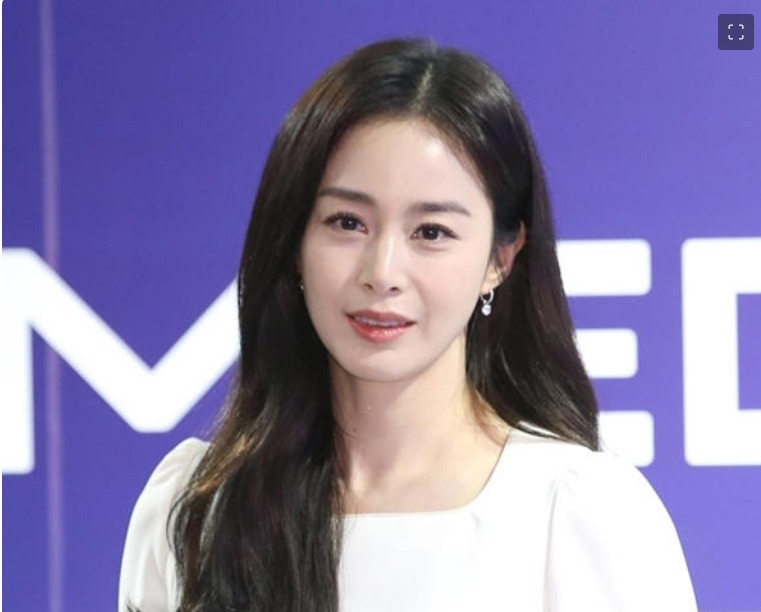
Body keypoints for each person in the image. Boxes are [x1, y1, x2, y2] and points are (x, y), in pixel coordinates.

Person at [119, 38, 697, 611]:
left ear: (500, 259)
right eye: (347, 222)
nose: (382, 273)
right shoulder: (196, 509)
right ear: (294, 240)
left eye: (431, 232)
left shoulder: (576, 512)